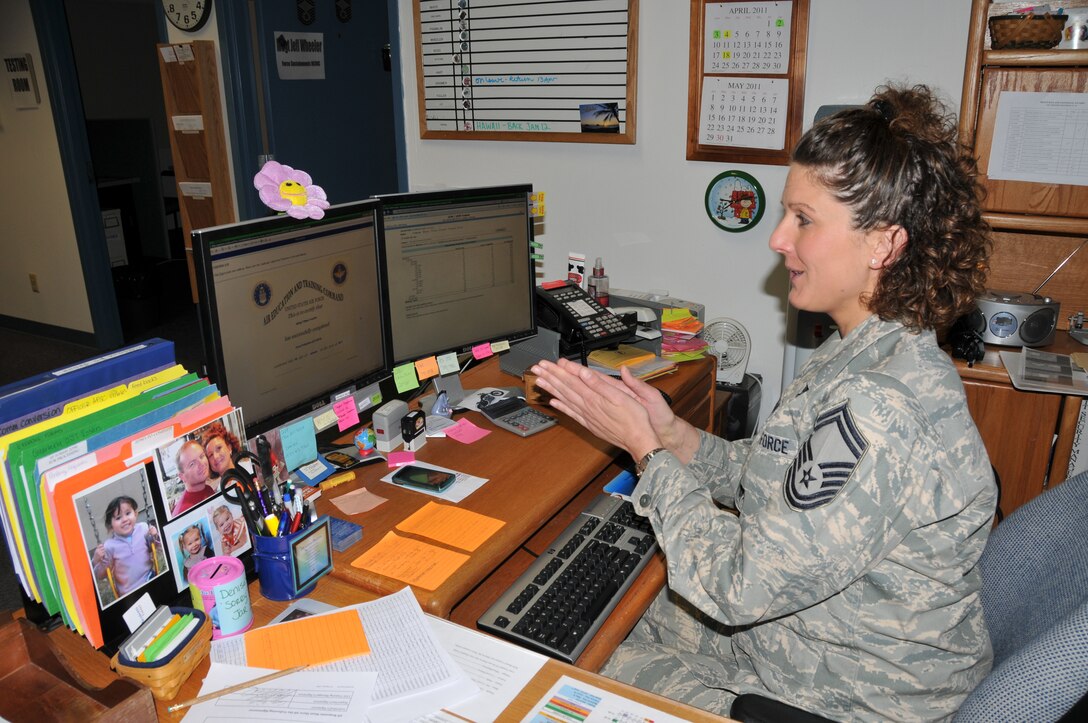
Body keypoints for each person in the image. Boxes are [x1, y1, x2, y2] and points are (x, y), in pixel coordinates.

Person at [530, 85, 997, 721]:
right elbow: (779, 478)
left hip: (852, 696)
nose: (778, 238)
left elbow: (735, 586)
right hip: (816, 635)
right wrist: (675, 436)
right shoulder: (868, 349)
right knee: (603, 612)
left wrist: (645, 453)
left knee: (562, 663)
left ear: (883, 245)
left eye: (804, 219)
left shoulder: (881, 407)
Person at [91, 495, 161, 598]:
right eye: (118, 518)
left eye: (128, 513)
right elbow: (101, 575)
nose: (124, 519)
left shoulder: (143, 528)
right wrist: (97, 560)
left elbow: (156, 547)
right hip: (129, 592)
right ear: (111, 526)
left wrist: (155, 535)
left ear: (136, 514)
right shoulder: (109, 546)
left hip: (149, 578)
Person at [171, 439, 216, 516]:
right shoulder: (183, 513)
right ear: (182, 477)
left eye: (202, 456)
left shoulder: (208, 489)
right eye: (192, 464)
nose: (201, 464)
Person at [200, 421, 243, 489]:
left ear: (229, 448)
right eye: (210, 455)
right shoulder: (218, 491)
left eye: (219, 448)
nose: (215, 457)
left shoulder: (249, 469)